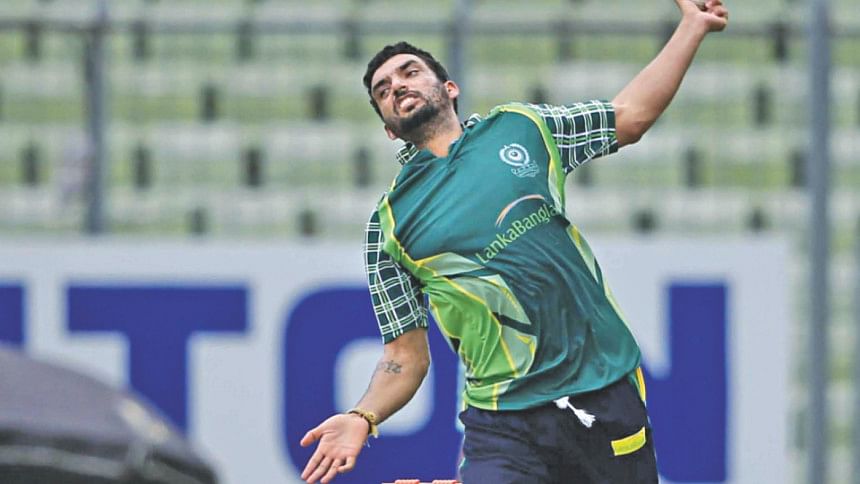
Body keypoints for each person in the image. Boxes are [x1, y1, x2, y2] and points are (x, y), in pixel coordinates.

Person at [300, 0, 728, 482]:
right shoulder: (390, 224)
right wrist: (362, 416)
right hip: (503, 418)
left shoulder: (522, 127)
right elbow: (404, 356)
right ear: (387, 127)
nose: (397, 85)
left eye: (410, 72)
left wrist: (692, 27)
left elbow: (629, 116)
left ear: (449, 87)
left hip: (603, 384)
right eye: (383, 90)